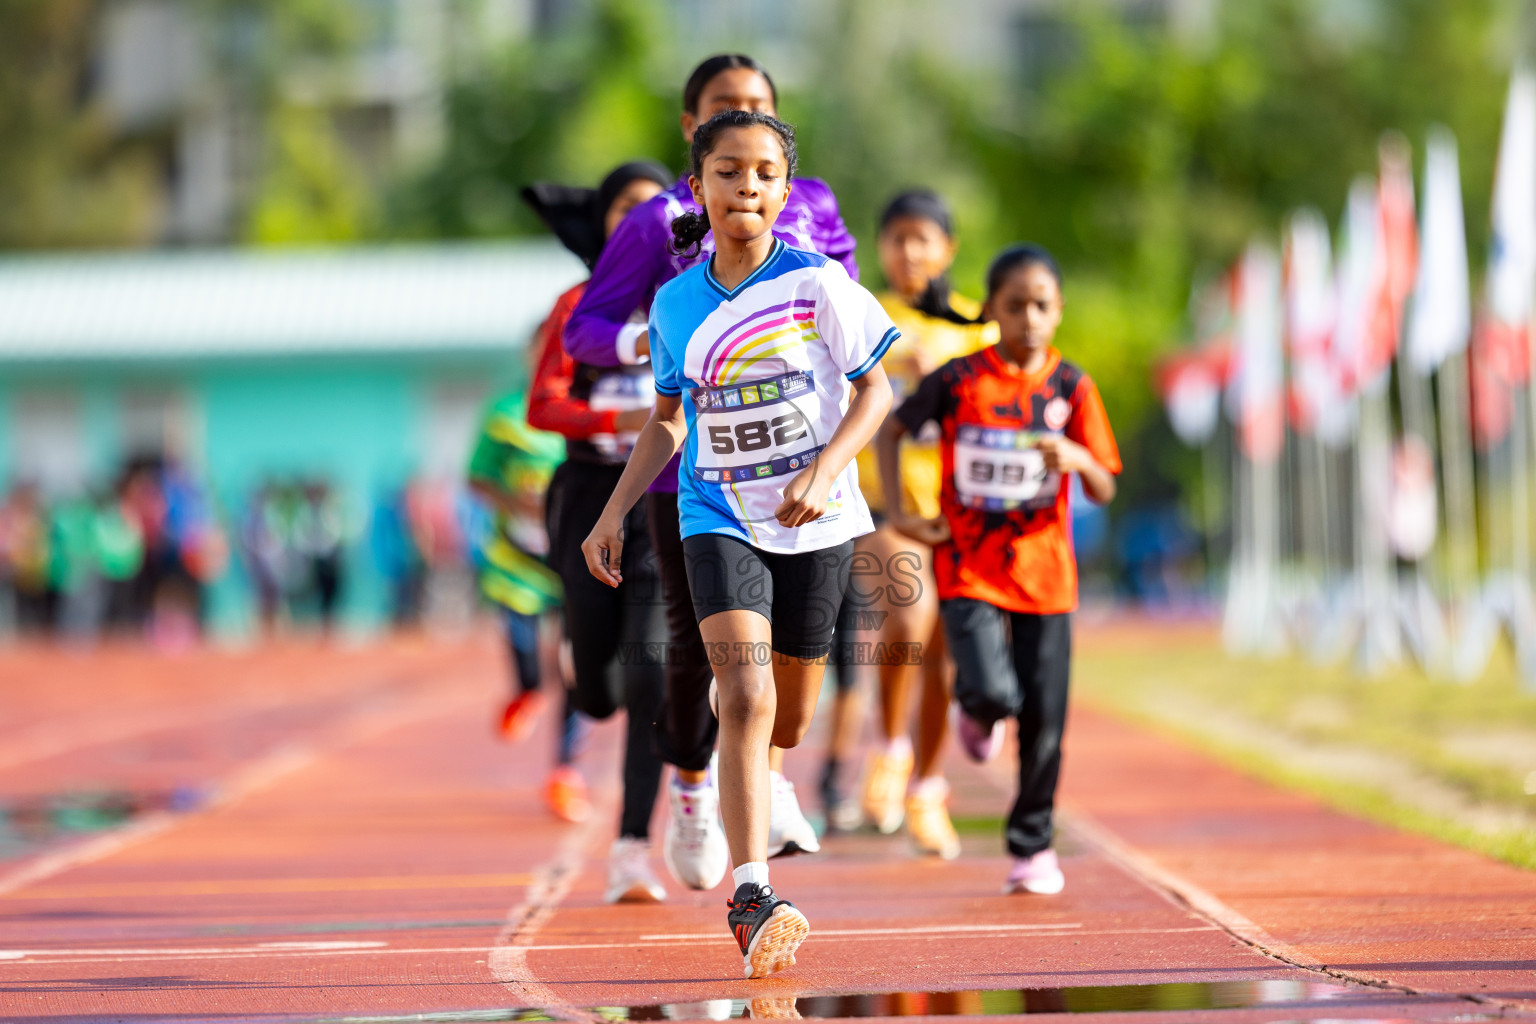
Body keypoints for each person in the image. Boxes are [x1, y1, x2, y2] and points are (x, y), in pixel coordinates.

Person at [582, 110, 895, 979]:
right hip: (715, 515)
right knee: (749, 697)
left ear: (784, 193)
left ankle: (746, 748)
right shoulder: (676, 304)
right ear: (699, 189)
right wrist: (609, 514)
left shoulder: (820, 284)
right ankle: (752, 894)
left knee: (786, 716)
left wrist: (826, 470)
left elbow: (877, 394)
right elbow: (667, 420)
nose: (745, 188)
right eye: (727, 172)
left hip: (819, 522)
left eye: (763, 174)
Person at [877, 244, 1120, 895]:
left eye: (1041, 306)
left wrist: (1074, 456)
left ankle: (1032, 848)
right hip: (969, 567)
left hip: (1046, 574)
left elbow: (1103, 485)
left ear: (1058, 311)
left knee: (1044, 719)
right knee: (992, 692)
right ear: (994, 312)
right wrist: (900, 513)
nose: (1030, 319)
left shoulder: (1073, 388)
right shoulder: (958, 379)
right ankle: (980, 709)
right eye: (1015, 307)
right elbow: (891, 429)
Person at [825, 189, 997, 857]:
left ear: (948, 249)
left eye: (924, 238)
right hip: (877, 504)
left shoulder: (979, 326)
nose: (910, 251)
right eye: (897, 238)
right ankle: (890, 748)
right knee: (908, 616)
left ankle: (928, 787)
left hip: (960, 512)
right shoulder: (857, 312)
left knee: (946, 659)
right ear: (879, 248)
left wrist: (946, 384)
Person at [525, 160, 677, 899]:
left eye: (657, 211)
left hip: (662, 499)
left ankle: (630, 849)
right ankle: (589, 695)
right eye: (626, 211)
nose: (643, 225)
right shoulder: (577, 307)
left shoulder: (693, 298)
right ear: (606, 221)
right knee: (599, 688)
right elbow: (542, 407)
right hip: (587, 493)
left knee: (652, 671)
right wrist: (615, 419)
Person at [466, 390, 578, 820]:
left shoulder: (594, 404)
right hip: (516, 560)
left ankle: (565, 773)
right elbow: (477, 476)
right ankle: (526, 689)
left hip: (576, 558)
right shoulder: (506, 415)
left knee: (574, 670)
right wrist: (517, 503)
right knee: (532, 666)